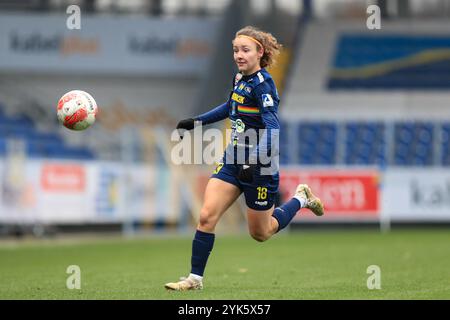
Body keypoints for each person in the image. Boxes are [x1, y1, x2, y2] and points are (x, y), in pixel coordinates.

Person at [165, 26, 324, 291]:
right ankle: (194, 279)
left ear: (259, 52)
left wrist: (255, 160)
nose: (239, 55)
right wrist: (196, 122)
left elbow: (273, 129)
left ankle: (301, 199)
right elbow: (231, 107)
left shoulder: (264, 86)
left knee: (261, 233)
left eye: (245, 50)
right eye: (236, 49)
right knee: (206, 215)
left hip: (261, 166)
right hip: (233, 159)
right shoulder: (240, 78)